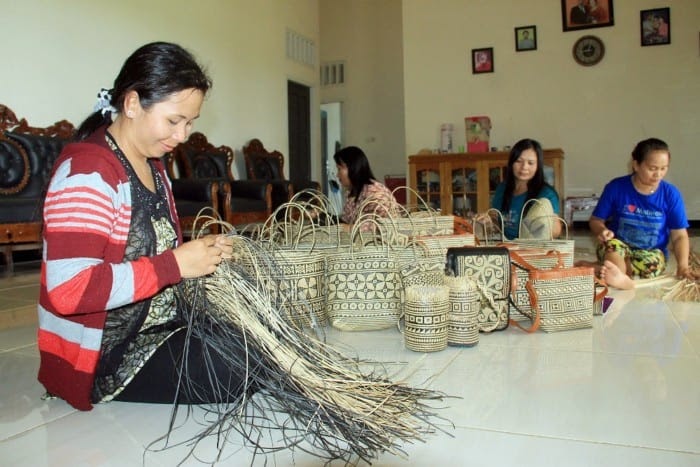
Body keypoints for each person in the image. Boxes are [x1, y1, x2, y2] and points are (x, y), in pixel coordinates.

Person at [37, 42, 244, 411]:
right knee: (234, 365)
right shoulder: (89, 171)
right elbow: (68, 290)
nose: (182, 136)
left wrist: (200, 255)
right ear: (131, 104)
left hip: (158, 327)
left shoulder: (154, 165)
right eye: (174, 121)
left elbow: (157, 252)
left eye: (190, 123)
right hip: (106, 352)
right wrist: (176, 265)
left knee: (250, 339)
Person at [588, 138, 694, 290]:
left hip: (650, 251)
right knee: (613, 250)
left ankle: (609, 271)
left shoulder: (671, 194)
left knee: (652, 264)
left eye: (664, 168)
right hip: (618, 245)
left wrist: (683, 266)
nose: (658, 174)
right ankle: (619, 276)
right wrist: (602, 231)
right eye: (652, 168)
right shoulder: (616, 187)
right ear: (636, 165)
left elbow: (679, 235)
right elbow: (596, 220)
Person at [479, 138, 562, 240]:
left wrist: (546, 225)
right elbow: (496, 219)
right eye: (519, 161)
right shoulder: (502, 189)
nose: (524, 167)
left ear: (538, 166)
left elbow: (557, 230)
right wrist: (487, 221)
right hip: (505, 246)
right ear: (511, 163)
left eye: (530, 163)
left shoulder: (547, 194)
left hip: (532, 249)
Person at [334, 146, 400, 229]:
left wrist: (349, 228)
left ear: (353, 167)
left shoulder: (375, 192)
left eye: (339, 169)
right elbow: (345, 220)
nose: (337, 175)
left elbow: (383, 226)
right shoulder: (352, 193)